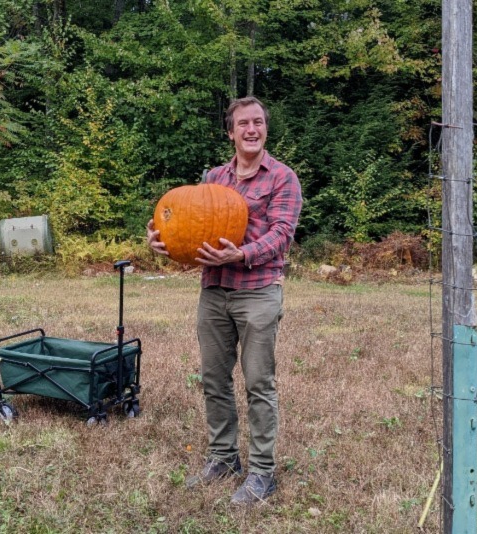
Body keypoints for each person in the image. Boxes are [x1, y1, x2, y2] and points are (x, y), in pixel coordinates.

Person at [146, 96, 303, 505]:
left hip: (258, 291)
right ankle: (223, 457)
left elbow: (282, 234)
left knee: (258, 383)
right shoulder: (213, 178)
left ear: (265, 128)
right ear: (230, 132)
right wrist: (162, 242)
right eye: (243, 124)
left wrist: (242, 254)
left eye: (258, 122)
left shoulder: (282, 178)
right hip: (214, 291)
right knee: (214, 380)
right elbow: (189, 223)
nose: (252, 129)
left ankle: (263, 472)